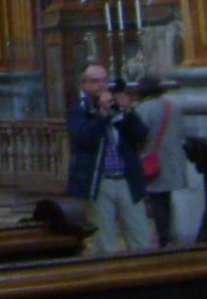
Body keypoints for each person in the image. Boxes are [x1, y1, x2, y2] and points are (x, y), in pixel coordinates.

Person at [68, 63, 152, 253]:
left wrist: (128, 111)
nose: (101, 85)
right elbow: (85, 138)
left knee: (140, 238)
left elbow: (140, 135)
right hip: (99, 182)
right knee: (105, 242)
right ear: (84, 85)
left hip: (127, 180)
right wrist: (102, 114)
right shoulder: (78, 110)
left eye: (104, 80)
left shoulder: (118, 108)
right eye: (95, 81)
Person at [131, 75, 185, 247]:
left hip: (152, 161)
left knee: (156, 202)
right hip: (172, 160)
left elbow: (138, 136)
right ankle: (168, 235)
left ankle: (162, 238)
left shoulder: (142, 109)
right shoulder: (173, 107)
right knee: (165, 200)